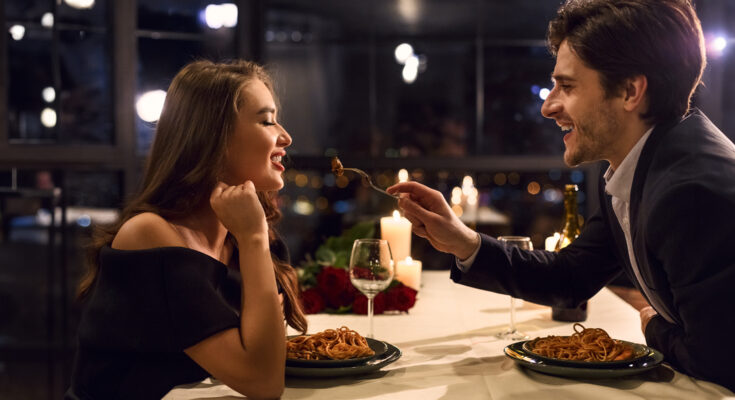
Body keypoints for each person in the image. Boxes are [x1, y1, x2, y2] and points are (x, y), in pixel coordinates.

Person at [388, 0, 735, 391]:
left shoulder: (693, 191)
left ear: (630, 91)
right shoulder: (640, 164)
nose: (547, 106)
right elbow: (572, 277)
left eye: (566, 86)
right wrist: (464, 241)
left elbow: (716, 360)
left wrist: (654, 326)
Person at [65, 60, 306, 399]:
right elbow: (263, 383)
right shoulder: (149, 236)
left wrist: (253, 239)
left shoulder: (238, 234)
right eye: (266, 120)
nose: (285, 135)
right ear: (214, 137)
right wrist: (254, 240)